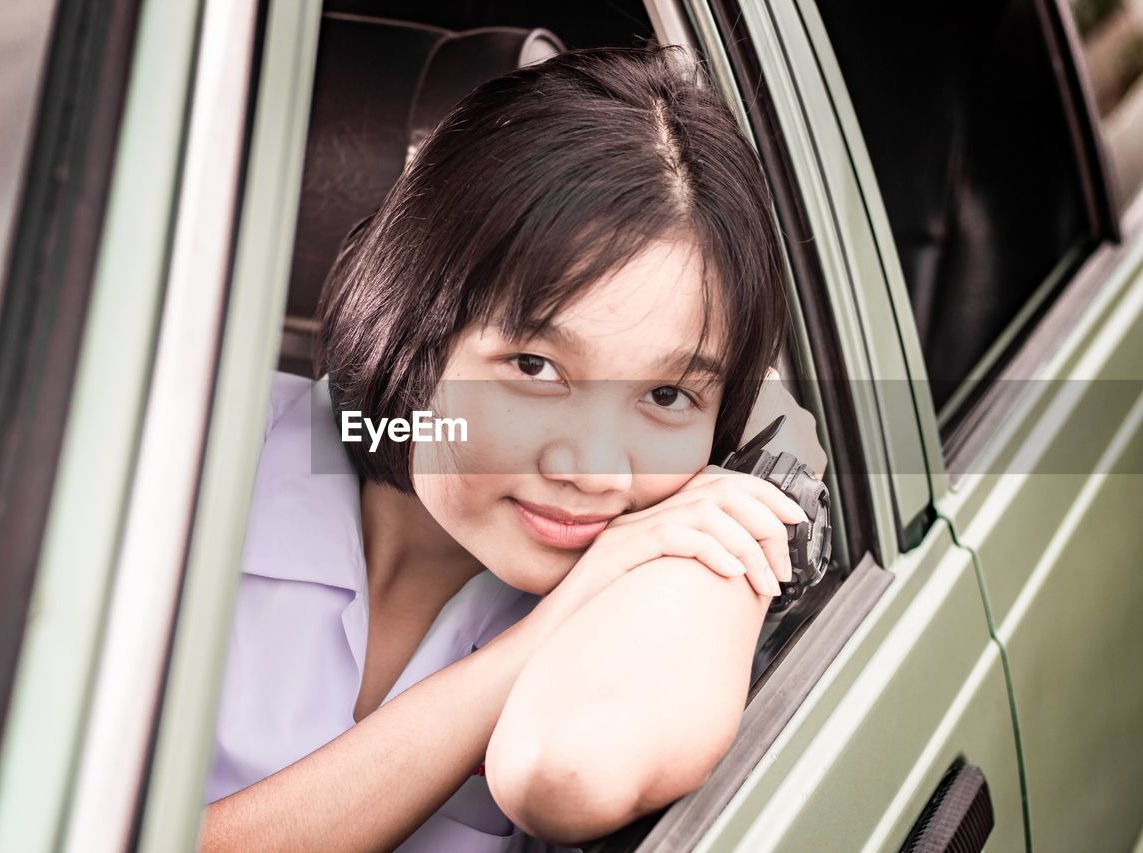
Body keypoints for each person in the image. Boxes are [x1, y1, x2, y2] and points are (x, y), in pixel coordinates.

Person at [200, 43, 827, 851]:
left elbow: (567, 770)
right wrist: (529, 648)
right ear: (412, 324)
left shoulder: (669, 558)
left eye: (667, 396)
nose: (596, 470)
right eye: (535, 369)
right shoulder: (186, 455)